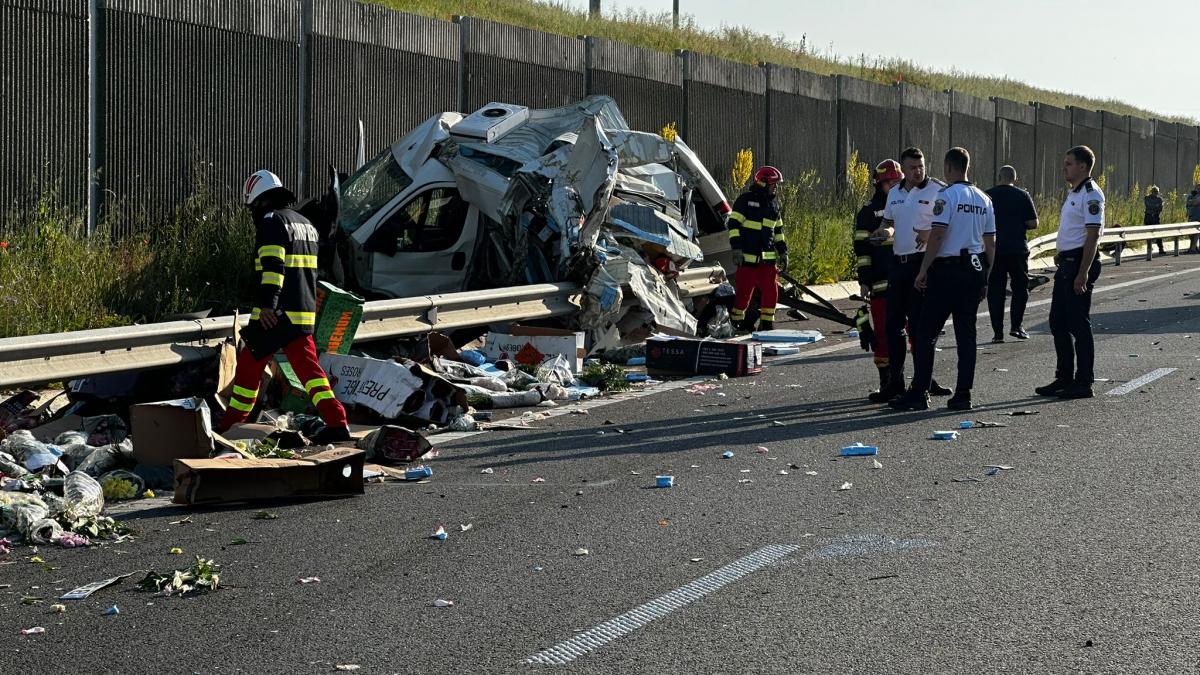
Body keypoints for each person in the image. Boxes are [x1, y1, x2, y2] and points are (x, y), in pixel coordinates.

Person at [217, 170, 352, 443]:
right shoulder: (305, 223)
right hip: (301, 313)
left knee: (248, 369)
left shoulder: (271, 222)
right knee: (310, 373)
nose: (252, 213)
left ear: (260, 202)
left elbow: (273, 266)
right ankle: (337, 420)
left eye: (252, 207)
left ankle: (231, 427)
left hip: (275, 314)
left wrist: (268, 305)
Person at [889, 148, 995, 412]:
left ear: (948, 168)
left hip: (947, 271)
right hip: (974, 268)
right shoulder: (984, 199)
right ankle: (963, 394)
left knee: (925, 333)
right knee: (966, 335)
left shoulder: (946, 196)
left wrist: (923, 270)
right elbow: (991, 242)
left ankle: (920, 392)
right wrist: (986, 277)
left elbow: (937, 236)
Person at [871, 147, 952, 402]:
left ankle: (921, 385)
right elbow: (889, 223)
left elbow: (949, 225)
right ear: (903, 170)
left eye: (921, 166)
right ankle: (895, 383)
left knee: (918, 326)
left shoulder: (938, 190)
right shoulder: (894, 193)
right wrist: (884, 233)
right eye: (913, 167)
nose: (918, 171)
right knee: (893, 325)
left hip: (924, 264)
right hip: (899, 264)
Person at [1035, 146, 1104, 400]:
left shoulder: (1091, 194)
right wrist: (1062, 253)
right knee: (1058, 322)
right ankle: (1064, 377)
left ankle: (1083, 381)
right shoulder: (1075, 192)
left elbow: (1093, 234)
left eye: (1069, 163)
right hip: (1068, 262)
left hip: (1079, 264)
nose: (1064, 167)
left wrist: (1082, 272)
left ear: (1083, 166)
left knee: (1078, 324)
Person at [854, 159, 904, 400]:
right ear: (879, 183)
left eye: (897, 181)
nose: (894, 185)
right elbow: (862, 249)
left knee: (917, 331)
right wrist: (864, 280)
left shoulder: (909, 202)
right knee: (884, 334)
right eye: (889, 182)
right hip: (881, 282)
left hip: (908, 279)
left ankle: (923, 380)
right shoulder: (868, 211)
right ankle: (887, 381)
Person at [728, 166, 788, 332]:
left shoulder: (774, 205)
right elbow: (733, 225)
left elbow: (778, 232)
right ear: (763, 182)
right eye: (773, 184)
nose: (776, 187)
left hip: (767, 259)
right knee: (743, 294)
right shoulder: (745, 201)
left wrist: (783, 252)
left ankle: (767, 324)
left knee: (771, 292)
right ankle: (736, 325)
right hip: (747, 257)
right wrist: (736, 249)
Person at [985, 165, 1038, 342]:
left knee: (995, 291)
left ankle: (997, 332)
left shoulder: (987, 195)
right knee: (1020, 288)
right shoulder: (1022, 195)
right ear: (1015, 178)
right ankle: (1017, 326)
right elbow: (1033, 223)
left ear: (999, 177)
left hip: (994, 250)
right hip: (1017, 249)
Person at [1144, 185, 1164, 254]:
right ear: (1151, 192)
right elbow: (1148, 205)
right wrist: (1155, 206)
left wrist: (1154, 207)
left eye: (1157, 192)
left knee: (1158, 234)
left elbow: (1160, 208)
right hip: (1148, 217)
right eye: (1154, 191)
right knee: (1148, 233)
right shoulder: (1147, 198)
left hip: (1155, 217)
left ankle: (1161, 248)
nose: (1155, 193)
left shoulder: (1159, 199)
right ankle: (1149, 247)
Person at [1187, 184, 1200, 253]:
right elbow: (1188, 203)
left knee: (1197, 233)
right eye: (1197, 188)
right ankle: (1193, 247)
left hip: (1199, 217)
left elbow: (1195, 202)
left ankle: (1193, 248)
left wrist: (1192, 201)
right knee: (1191, 233)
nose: (1198, 190)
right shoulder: (1191, 196)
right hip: (1192, 216)